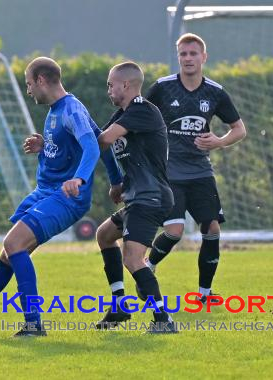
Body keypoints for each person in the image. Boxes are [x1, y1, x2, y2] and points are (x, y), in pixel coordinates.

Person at [0, 57, 122, 337]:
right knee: (10, 253)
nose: (28, 90)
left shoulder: (72, 109)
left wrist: (79, 179)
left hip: (66, 197)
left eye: (29, 84)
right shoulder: (57, 110)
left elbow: (92, 147)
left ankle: (33, 324)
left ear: (42, 80)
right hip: (45, 193)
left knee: (13, 243)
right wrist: (45, 148)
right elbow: (103, 142)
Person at [145, 33, 247, 302]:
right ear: (178, 57)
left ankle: (204, 293)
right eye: (183, 54)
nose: (188, 58)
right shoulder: (162, 88)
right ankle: (147, 267)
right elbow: (139, 118)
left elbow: (239, 130)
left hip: (201, 171)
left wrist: (219, 141)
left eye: (193, 53)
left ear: (204, 57)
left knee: (212, 229)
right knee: (174, 232)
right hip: (169, 172)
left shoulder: (215, 92)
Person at [95, 61, 177, 333]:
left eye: (110, 84)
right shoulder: (123, 113)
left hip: (150, 196)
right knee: (104, 235)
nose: (108, 90)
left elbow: (103, 140)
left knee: (133, 259)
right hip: (137, 196)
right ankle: (119, 306)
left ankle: (163, 320)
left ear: (126, 85)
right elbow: (99, 140)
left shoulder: (143, 110)